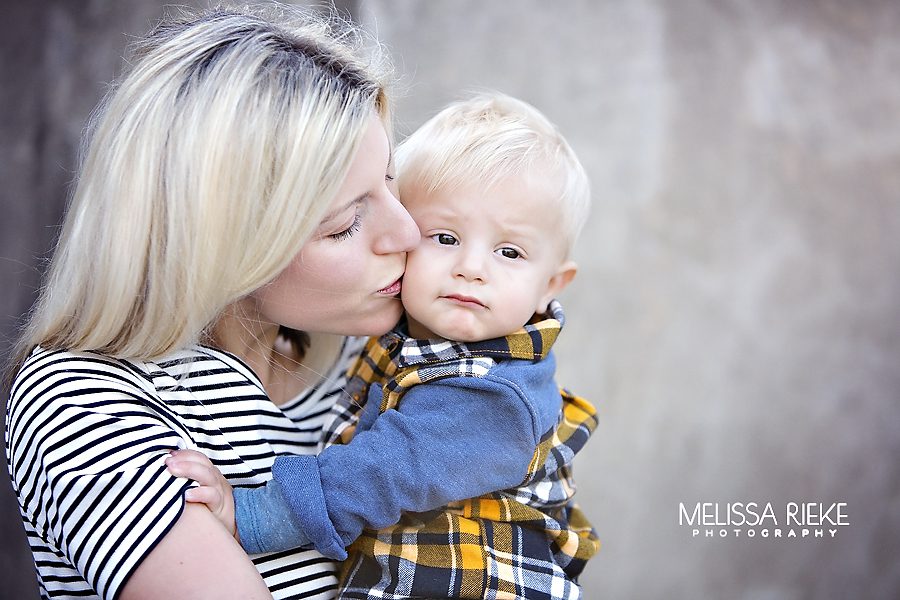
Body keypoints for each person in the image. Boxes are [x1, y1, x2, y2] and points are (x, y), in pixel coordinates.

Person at [3, 4, 422, 599]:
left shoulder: (379, 353)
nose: (407, 233)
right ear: (222, 241)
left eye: (389, 178)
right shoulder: (85, 402)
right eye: (346, 224)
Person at [169, 93, 600, 599]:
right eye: (444, 237)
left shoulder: (498, 396)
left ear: (552, 284)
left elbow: (385, 470)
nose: (472, 267)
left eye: (509, 251)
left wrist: (255, 516)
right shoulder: (398, 338)